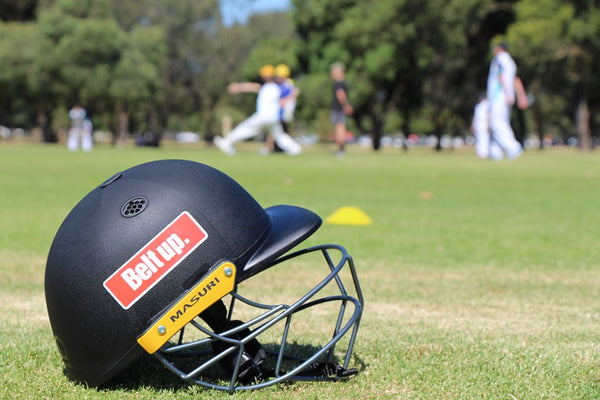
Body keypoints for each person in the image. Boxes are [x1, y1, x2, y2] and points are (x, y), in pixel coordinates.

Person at [214, 64, 302, 156]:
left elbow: (294, 91)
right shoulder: (275, 87)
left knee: (245, 128)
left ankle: (227, 142)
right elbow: (253, 86)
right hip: (273, 118)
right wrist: (238, 87)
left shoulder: (273, 87)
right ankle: (295, 149)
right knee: (279, 135)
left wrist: (238, 87)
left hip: (263, 116)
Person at [486, 42, 523, 159]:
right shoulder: (510, 61)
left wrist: (507, 94)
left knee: (496, 123)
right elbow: (515, 79)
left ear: (500, 49)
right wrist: (520, 96)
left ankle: (513, 147)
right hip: (506, 96)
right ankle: (496, 153)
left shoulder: (500, 59)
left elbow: (501, 76)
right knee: (502, 122)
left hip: (499, 96)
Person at [330, 62, 353, 156]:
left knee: (340, 128)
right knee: (340, 128)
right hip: (339, 109)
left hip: (338, 109)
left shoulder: (339, 84)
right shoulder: (342, 83)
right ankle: (341, 150)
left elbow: (340, 95)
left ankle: (341, 150)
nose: (332, 74)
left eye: (333, 72)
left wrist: (346, 105)